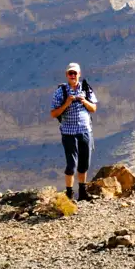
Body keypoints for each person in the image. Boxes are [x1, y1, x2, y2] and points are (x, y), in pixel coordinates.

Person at [50, 62, 98, 201]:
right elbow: (53, 113)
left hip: (85, 131)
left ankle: (83, 193)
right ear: (66, 75)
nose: (72, 75)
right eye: (70, 73)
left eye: (75, 73)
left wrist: (84, 101)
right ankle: (69, 194)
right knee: (71, 164)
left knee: (84, 163)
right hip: (68, 132)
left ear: (79, 74)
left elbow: (93, 108)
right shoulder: (61, 92)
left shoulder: (86, 88)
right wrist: (67, 103)